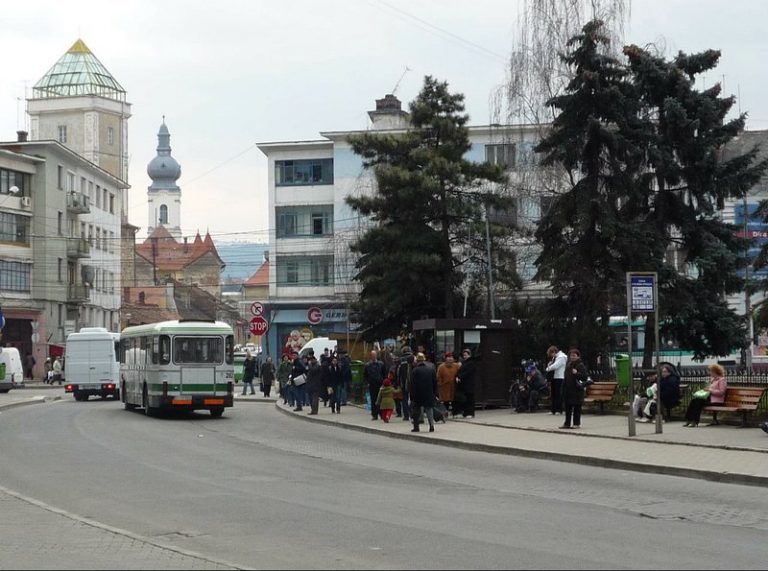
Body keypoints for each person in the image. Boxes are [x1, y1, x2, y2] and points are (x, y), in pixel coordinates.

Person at [684, 363, 727, 428]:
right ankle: (689, 419)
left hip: (717, 401)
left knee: (698, 402)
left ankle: (695, 421)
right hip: (710, 399)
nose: (709, 372)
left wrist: (710, 390)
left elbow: (721, 392)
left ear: (715, 371)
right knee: (694, 400)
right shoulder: (713, 380)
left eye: (711, 371)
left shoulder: (722, 380)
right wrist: (706, 390)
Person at [559, 348, 588, 429]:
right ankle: (567, 423)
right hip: (568, 390)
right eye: (571, 356)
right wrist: (563, 387)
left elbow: (584, 377)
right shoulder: (568, 364)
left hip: (576, 390)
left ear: (578, 356)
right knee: (567, 408)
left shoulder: (580, 365)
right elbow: (566, 377)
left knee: (576, 408)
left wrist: (577, 373)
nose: (572, 357)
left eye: (574, 356)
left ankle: (576, 423)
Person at [410, 353, 438, 432]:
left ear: (417, 361)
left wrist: (412, 395)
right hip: (429, 393)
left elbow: (413, 384)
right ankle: (431, 426)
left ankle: (416, 427)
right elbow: (435, 382)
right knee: (429, 409)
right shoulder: (431, 369)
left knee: (416, 410)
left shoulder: (415, 370)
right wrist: (434, 393)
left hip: (418, 393)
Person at [364, 350, 387, 421]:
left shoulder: (381, 364)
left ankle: (381, 414)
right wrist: (368, 382)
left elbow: (384, 373)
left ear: (376, 356)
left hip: (380, 384)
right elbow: (365, 375)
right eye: (372, 355)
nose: (374, 357)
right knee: (373, 399)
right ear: (371, 356)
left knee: (380, 399)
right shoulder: (368, 365)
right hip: (372, 384)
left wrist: (384, 382)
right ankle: (374, 414)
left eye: (375, 355)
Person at [455, 348, 477, 419]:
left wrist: (460, 377)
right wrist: (457, 376)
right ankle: (465, 412)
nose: (464, 356)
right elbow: (460, 371)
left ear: (469, 355)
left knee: (470, 399)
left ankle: (470, 413)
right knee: (465, 399)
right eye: (464, 355)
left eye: (466, 355)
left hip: (469, 384)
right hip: (464, 384)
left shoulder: (471, 362)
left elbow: (467, 372)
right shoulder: (464, 362)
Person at [546, 346, 567, 415]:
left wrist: (548, 368)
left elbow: (555, 366)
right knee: (553, 394)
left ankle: (559, 410)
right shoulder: (555, 357)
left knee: (558, 394)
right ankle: (553, 410)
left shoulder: (562, 357)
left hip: (560, 377)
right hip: (554, 377)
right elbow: (551, 364)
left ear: (554, 352)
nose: (551, 356)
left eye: (551, 354)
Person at [395, 346, 414, 421]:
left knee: (404, 399)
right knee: (413, 398)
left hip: (403, 381)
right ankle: (412, 413)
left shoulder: (400, 360)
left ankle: (406, 415)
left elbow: (397, 372)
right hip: (412, 381)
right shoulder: (413, 358)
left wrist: (398, 382)